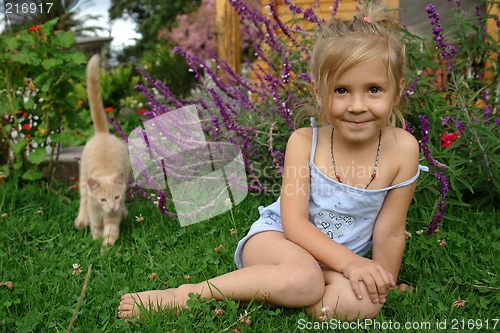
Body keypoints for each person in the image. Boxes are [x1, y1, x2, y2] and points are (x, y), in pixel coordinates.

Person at [118, 3, 427, 321]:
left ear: (397, 91)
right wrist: (350, 265)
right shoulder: (305, 142)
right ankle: (187, 295)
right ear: (319, 93)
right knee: (304, 279)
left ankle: (281, 289)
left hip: (336, 264)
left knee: (361, 306)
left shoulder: (403, 149)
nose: (358, 105)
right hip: (277, 241)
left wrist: (381, 282)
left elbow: (389, 231)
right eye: (342, 90)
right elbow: (294, 224)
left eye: (374, 89)